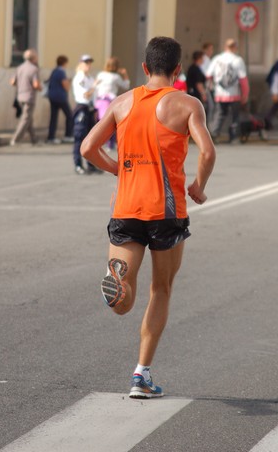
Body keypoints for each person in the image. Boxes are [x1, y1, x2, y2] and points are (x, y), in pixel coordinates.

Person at [80, 36, 216, 399]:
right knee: (162, 289)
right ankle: (141, 375)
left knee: (124, 303)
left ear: (144, 68)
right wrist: (199, 186)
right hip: (166, 213)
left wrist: (116, 171)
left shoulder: (123, 102)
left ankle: (118, 283)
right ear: (177, 70)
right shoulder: (187, 104)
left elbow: (87, 148)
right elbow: (207, 151)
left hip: (126, 208)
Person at [206, 38, 249, 143]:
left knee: (220, 113)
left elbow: (208, 74)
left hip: (220, 92)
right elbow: (243, 80)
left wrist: (213, 85)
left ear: (225, 47)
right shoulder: (238, 60)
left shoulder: (217, 59)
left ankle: (214, 134)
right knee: (235, 116)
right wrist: (245, 94)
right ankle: (234, 137)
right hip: (234, 93)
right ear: (235, 48)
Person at [72, 55, 100, 175]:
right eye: (86, 62)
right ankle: (78, 164)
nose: (88, 65)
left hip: (90, 108)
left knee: (91, 138)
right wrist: (94, 86)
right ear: (80, 64)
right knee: (80, 136)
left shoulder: (89, 78)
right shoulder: (80, 78)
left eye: (89, 62)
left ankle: (90, 164)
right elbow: (86, 95)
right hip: (82, 108)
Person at [94, 57, 130, 150]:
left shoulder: (101, 74)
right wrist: (125, 75)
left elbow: (95, 87)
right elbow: (126, 85)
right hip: (109, 101)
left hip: (99, 100)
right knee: (111, 123)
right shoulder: (115, 77)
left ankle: (99, 142)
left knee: (100, 123)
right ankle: (110, 143)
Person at [9, 49, 42, 145]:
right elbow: (36, 85)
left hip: (20, 96)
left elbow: (12, 82)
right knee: (26, 118)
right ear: (34, 58)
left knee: (28, 118)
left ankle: (34, 139)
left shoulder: (20, 68)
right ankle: (15, 139)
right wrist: (41, 88)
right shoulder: (34, 69)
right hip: (29, 97)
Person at [46, 55, 73, 144]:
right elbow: (65, 85)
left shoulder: (54, 71)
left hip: (52, 96)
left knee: (53, 117)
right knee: (69, 115)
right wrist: (69, 82)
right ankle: (68, 135)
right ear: (64, 63)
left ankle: (51, 137)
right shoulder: (61, 72)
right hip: (60, 97)